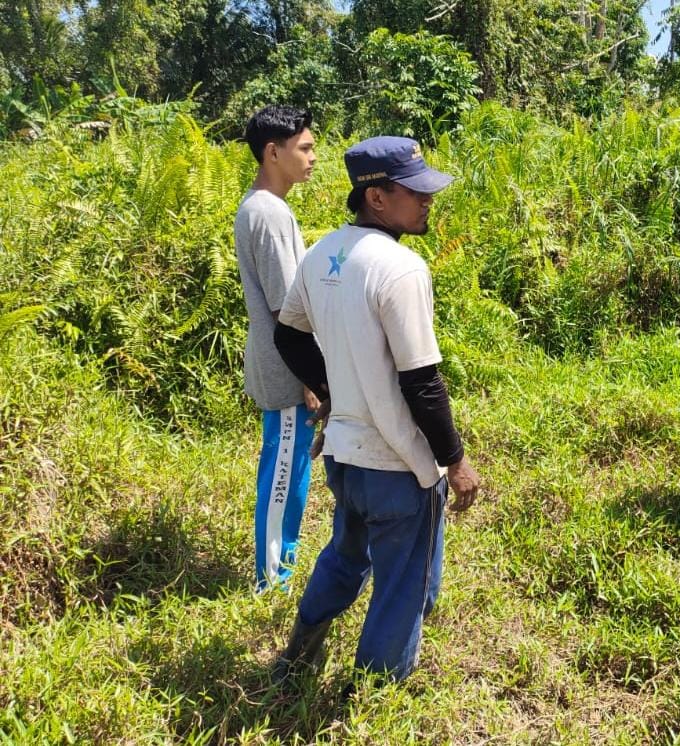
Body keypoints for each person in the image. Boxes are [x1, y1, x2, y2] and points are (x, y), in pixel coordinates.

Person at [270, 135, 481, 685]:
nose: (427, 200)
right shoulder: (400, 268)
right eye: (416, 192)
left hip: (344, 457)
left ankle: (297, 657)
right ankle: (372, 698)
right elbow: (422, 382)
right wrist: (454, 463)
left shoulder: (321, 255)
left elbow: (287, 336)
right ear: (378, 198)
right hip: (397, 465)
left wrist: (332, 389)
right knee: (403, 587)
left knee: (345, 556)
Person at [234, 105, 320, 593]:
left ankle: (281, 565)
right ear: (273, 152)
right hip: (287, 366)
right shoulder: (265, 212)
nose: (312, 157)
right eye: (304, 148)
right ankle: (270, 580)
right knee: (283, 472)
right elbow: (287, 308)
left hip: (289, 363)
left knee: (292, 466)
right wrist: (311, 374)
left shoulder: (270, 208)